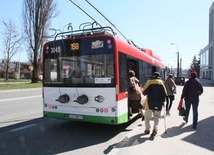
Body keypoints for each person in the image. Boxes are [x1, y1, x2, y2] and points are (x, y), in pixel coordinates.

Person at [142, 72, 167, 137]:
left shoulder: (149, 82)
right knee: (156, 117)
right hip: (158, 103)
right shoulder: (161, 83)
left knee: (147, 117)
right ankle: (155, 130)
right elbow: (165, 94)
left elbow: (144, 92)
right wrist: (163, 101)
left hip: (149, 103)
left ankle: (147, 129)